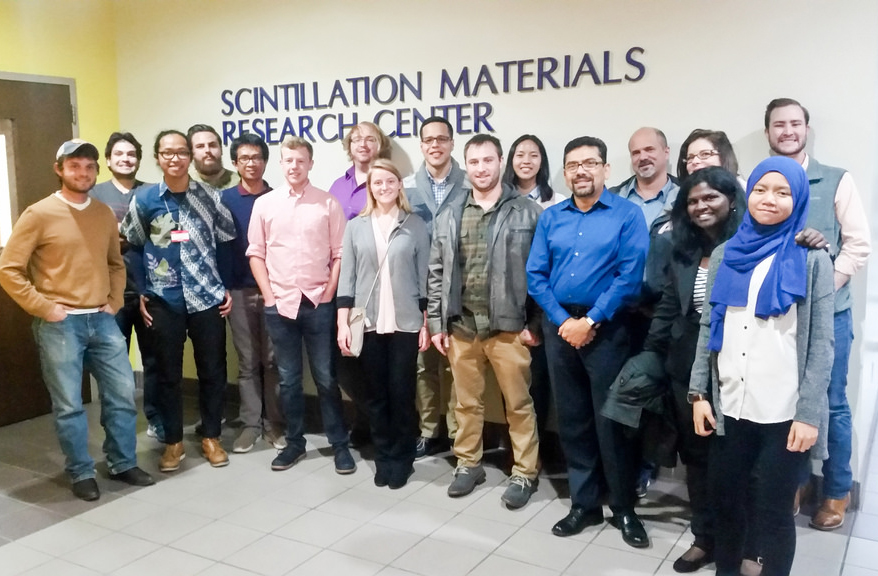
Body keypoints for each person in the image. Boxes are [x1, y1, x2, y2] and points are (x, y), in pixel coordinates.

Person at [690, 156, 834, 576]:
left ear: (799, 198)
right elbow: (707, 328)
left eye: (783, 192)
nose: (769, 199)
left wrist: (808, 415)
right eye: (760, 190)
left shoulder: (811, 260)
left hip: (783, 413)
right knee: (728, 506)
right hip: (730, 407)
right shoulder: (724, 255)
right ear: (746, 195)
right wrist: (699, 394)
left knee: (773, 514)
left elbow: (823, 345)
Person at [0, 139, 154, 501]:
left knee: (120, 395)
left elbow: (116, 264)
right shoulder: (38, 214)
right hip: (60, 324)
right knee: (69, 404)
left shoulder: (101, 213)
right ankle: (81, 471)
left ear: (95, 171)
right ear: (60, 170)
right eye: (74, 166)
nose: (82, 173)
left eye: (88, 167)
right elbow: (9, 269)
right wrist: (44, 307)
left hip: (102, 320)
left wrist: (115, 301)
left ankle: (122, 462)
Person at [527, 136, 650, 547]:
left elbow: (630, 277)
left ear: (605, 169)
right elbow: (536, 276)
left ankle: (624, 507)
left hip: (608, 330)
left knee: (611, 421)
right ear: (565, 172)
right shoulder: (552, 218)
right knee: (573, 420)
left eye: (590, 163)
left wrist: (591, 319)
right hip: (560, 329)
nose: (581, 171)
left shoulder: (627, 215)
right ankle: (584, 504)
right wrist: (565, 322)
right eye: (573, 165)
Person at [764, 98, 871, 531]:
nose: (787, 131)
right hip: (778, 316)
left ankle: (836, 490)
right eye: (778, 125)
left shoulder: (836, 180)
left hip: (830, 317)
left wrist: (823, 291)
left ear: (806, 128)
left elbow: (858, 246)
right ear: (768, 131)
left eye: (795, 123)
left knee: (831, 404)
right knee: (787, 402)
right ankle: (796, 482)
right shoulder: (762, 180)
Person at [427, 134, 541, 509]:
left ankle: (524, 471)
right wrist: (436, 323)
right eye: (473, 162)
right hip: (461, 325)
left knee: (518, 405)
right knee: (466, 403)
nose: (481, 169)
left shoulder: (526, 210)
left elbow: (542, 272)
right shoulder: (450, 211)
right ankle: (468, 463)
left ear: (500, 161)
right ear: (467, 165)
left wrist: (535, 324)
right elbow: (436, 270)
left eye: (488, 161)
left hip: (509, 326)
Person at [642, 167, 745, 572]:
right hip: (687, 368)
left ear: (732, 199)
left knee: (737, 461)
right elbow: (669, 306)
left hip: (738, 368)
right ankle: (704, 539)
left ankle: (742, 545)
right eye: (693, 201)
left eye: (711, 198)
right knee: (697, 459)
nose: (701, 207)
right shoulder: (680, 249)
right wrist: (651, 356)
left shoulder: (750, 244)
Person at [122, 130, 236, 472]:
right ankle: (173, 442)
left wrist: (225, 286)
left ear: (191, 156)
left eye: (181, 152)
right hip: (163, 299)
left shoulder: (210, 197)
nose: (175, 158)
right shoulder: (144, 200)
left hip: (207, 299)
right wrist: (142, 290)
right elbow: (134, 245)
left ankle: (211, 436)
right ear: (157, 158)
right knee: (168, 374)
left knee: (213, 371)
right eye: (167, 153)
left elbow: (228, 241)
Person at [247, 136, 355, 474]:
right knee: (290, 380)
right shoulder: (265, 204)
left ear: (310, 164)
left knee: (325, 378)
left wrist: (330, 291)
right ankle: (295, 444)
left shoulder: (327, 203)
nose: (294, 166)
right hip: (280, 306)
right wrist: (269, 296)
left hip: (318, 304)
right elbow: (256, 253)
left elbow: (340, 253)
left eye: (301, 160)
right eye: (288, 160)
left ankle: (340, 445)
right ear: (282, 164)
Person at [337, 159, 431, 489]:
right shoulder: (355, 227)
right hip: (369, 324)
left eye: (390, 181)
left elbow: (425, 279)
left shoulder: (415, 225)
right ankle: (384, 456)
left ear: (399, 185)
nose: (384, 187)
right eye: (378, 183)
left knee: (402, 393)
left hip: (405, 323)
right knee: (375, 396)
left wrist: (425, 323)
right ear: (370, 188)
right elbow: (346, 279)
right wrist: (342, 323)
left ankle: (403, 457)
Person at [89, 132, 163, 442]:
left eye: (131, 153)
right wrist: (133, 235)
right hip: (110, 295)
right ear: (108, 160)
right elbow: (93, 241)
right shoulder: (93, 194)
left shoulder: (153, 192)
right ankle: (115, 428)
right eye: (119, 153)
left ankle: (158, 420)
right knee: (113, 366)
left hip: (150, 291)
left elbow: (163, 238)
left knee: (155, 361)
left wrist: (124, 235)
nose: (125, 158)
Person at [403, 116, 467, 459]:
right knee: (423, 365)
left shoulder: (471, 182)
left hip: (459, 288)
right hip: (419, 290)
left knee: (457, 366)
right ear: (422, 145)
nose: (435, 145)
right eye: (428, 140)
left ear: (452, 143)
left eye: (442, 138)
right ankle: (429, 431)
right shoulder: (406, 185)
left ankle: (459, 436)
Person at [219, 133, 285, 453]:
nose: (251, 163)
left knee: (273, 361)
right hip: (238, 291)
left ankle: (275, 424)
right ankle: (250, 424)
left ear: (265, 161)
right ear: (235, 163)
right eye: (244, 158)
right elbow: (217, 248)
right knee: (248, 362)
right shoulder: (224, 200)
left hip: (274, 291)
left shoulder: (279, 197)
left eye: (257, 157)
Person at [329, 121, 393, 446]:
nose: (363, 144)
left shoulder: (388, 182)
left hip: (383, 287)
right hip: (345, 286)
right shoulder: (337, 187)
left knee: (379, 361)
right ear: (348, 146)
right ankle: (368, 420)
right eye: (356, 139)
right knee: (348, 358)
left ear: (380, 144)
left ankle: (382, 428)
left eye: (370, 139)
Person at [504, 134, 564, 444]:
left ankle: (537, 449)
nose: (526, 160)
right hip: (507, 305)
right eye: (520, 154)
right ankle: (519, 450)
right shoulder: (499, 199)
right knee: (511, 382)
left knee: (539, 381)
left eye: (533, 155)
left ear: (542, 161)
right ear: (511, 160)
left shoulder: (557, 202)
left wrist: (538, 318)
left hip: (543, 304)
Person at [610, 127, 679, 229]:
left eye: (649, 149)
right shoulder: (612, 198)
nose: (643, 157)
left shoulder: (685, 196)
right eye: (636, 153)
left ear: (666, 152)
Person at [188, 124, 240, 191]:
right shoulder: (183, 184)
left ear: (221, 149)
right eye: (200, 146)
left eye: (212, 145)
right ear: (191, 153)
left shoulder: (240, 183)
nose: (207, 150)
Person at [675, 129, 740, 180]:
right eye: (690, 158)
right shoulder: (680, 195)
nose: (695, 161)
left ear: (724, 157)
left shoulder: (746, 193)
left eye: (705, 154)